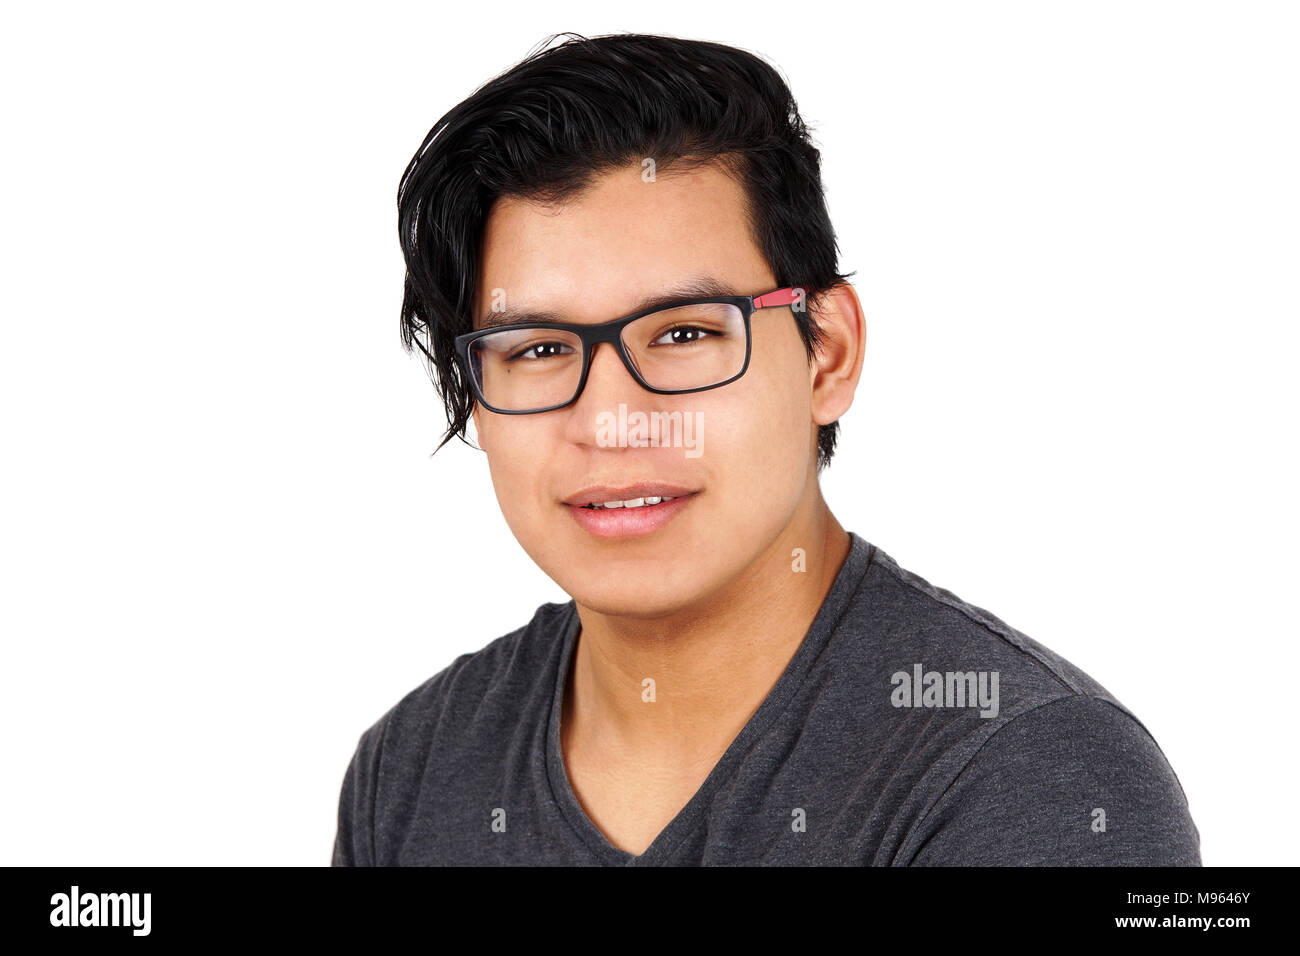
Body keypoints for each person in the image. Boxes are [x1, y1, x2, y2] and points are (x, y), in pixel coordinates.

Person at [331, 32, 1200, 866]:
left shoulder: (1033, 775)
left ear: (827, 351)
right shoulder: (410, 771)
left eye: (683, 335)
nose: (614, 420)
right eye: (539, 349)